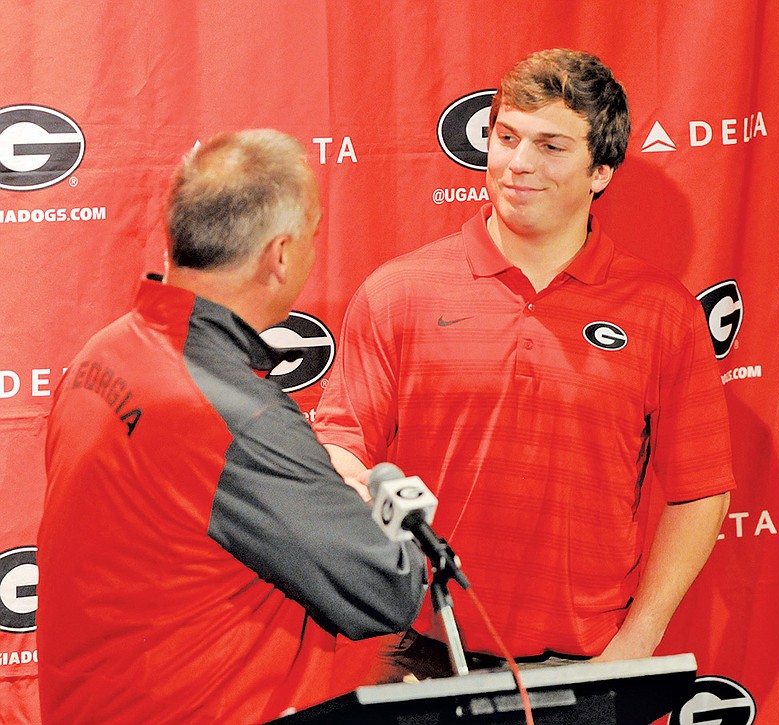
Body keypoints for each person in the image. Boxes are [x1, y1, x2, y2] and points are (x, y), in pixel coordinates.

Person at [313, 49, 734, 680]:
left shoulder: (660, 309)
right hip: (419, 654)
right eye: (506, 137)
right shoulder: (398, 291)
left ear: (602, 171)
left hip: (588, 665)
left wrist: (638, 641)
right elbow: (343, 443)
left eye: (551, 146)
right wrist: (352, 495)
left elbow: (702, 489)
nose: (519, 164)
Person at [36, 129, 427, 723]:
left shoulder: (101, 353)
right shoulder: (236, 415)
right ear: (279, 255)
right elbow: (384, 589)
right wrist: (376, 502)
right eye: (313, 239)